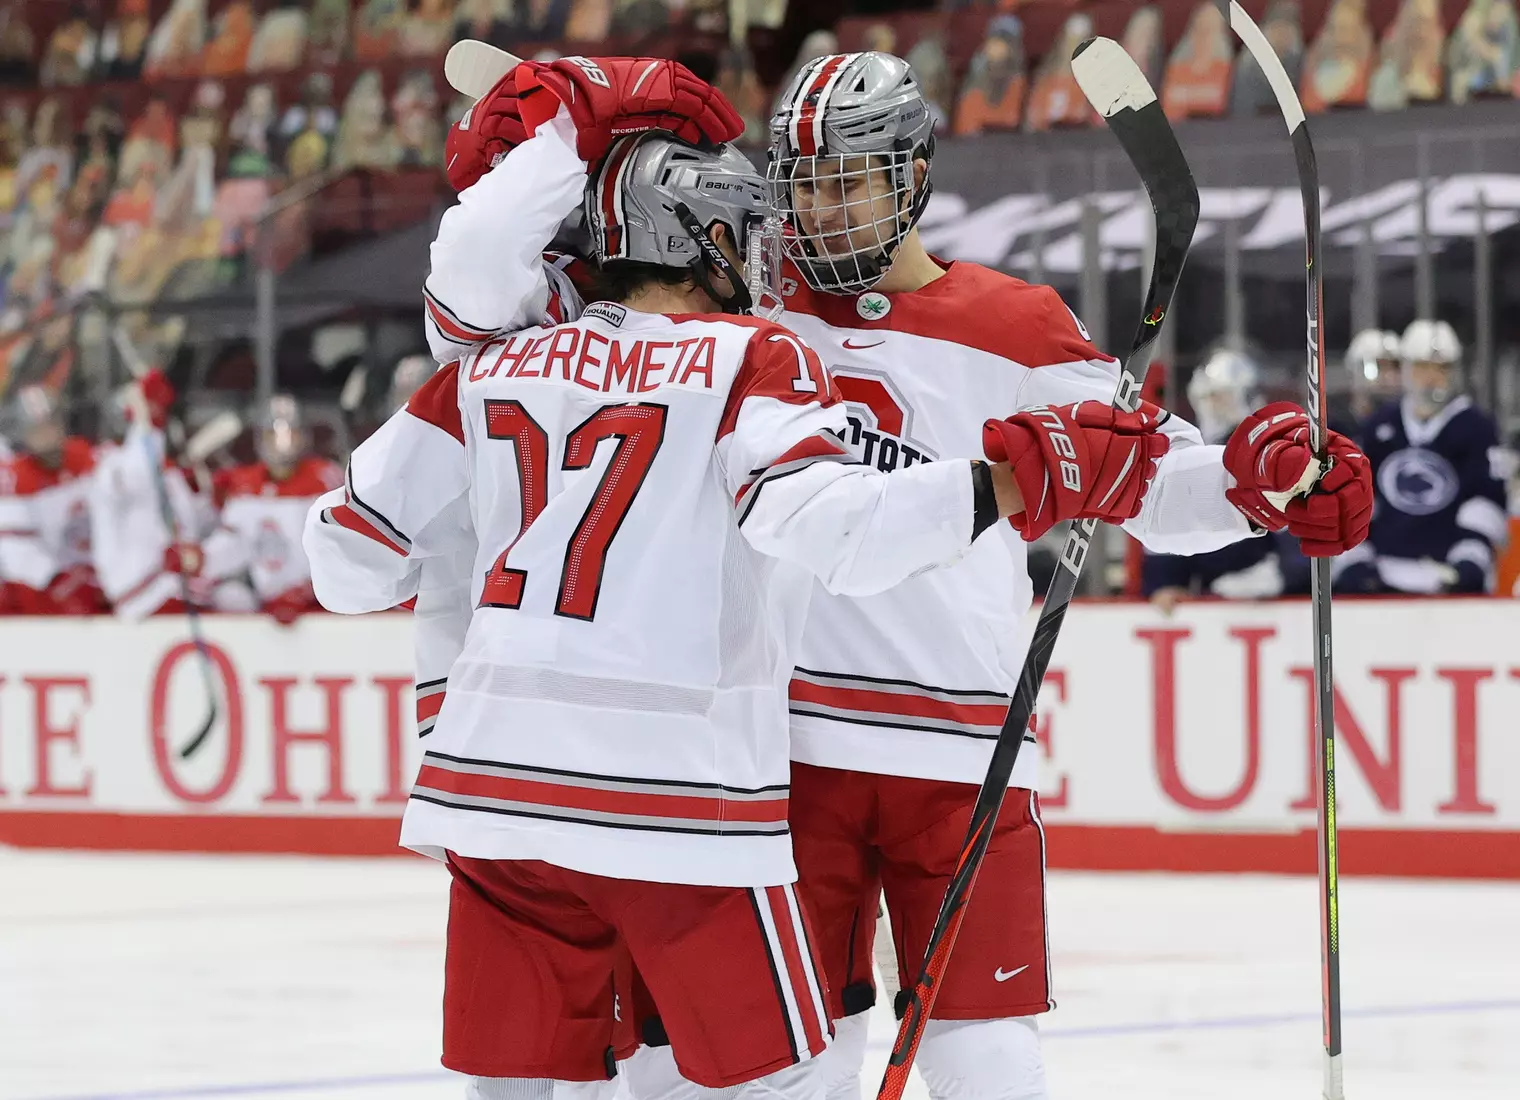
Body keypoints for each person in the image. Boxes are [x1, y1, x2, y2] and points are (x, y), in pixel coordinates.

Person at [426, 50, 1375, 1100]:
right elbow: (508, 303)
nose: (818, 209)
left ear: (911, 177)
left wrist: (1261, 483)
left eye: (848, 180)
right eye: (802, 183)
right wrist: (562, 142)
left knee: (987, 1057)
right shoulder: (733, 305)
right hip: (787, 752)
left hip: (963, 751)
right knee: (783, 1064)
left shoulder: (1017, 325)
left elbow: (1147, 474)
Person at [304, 89, 1170, 1099]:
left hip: (490, 792)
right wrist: (1010, 480)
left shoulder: (488, 368)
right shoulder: (753, 355)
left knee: (531, 1081)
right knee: (780, 1078)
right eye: (747, 234)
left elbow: (345, 562)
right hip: (670, 790)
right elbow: (836, 528)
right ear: (705, 238)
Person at [1337, 319, 1508, 595]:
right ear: (1406, 369)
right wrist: (1355, 560)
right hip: (1385, 569)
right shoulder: (1380, 425)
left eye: (1441, 368)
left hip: (1446, 571)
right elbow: (1357, 500)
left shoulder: (1476, 427)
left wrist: (1471, 558)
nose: (1431, 378)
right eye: (1422, 367)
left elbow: (1486, 499)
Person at [88, 370, 256, 619]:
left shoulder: (165, 471)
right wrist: (146, 419)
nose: (161, 423)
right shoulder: (109, 464)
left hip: (174, 584)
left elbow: (185, 529)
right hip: (139, 594)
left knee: (239, 600)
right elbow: (138, 476)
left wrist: (211, 502)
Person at [1144, 349, 1305, 608]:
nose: (1213, 406)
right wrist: (1165, 581)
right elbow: (1171, 515)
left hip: (1282, 598)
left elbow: (1301, 521)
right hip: (1212, 595)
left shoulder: (1276, 449)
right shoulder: (1190, 452)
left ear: (1247, 395)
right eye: (1207, 397)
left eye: (1222, 397)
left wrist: (1286, 572)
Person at [215, 394, 342, 625]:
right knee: (229, 596)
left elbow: (340, 547)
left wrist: (306, 591)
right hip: (260, 592)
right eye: (273, 436)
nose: (282, 445)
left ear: (303, 437)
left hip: (315, 594)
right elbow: (230, 544)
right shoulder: (243, 482)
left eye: (289, 435)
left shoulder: (326, 477)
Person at [0, 385, 104, 614]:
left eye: (51, 424)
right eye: (37, 429)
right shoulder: (14, 477)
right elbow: (14, 550)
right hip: (50, 582)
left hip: (94, 571)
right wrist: (55, 579)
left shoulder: (85, 455)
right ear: (23, 433)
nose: (47, 434)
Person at [1343, 326, 1402, 425]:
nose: (1388, 376)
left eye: (1394, 367)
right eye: (1378, 366)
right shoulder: (1335, 423)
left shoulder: (1404, 422)